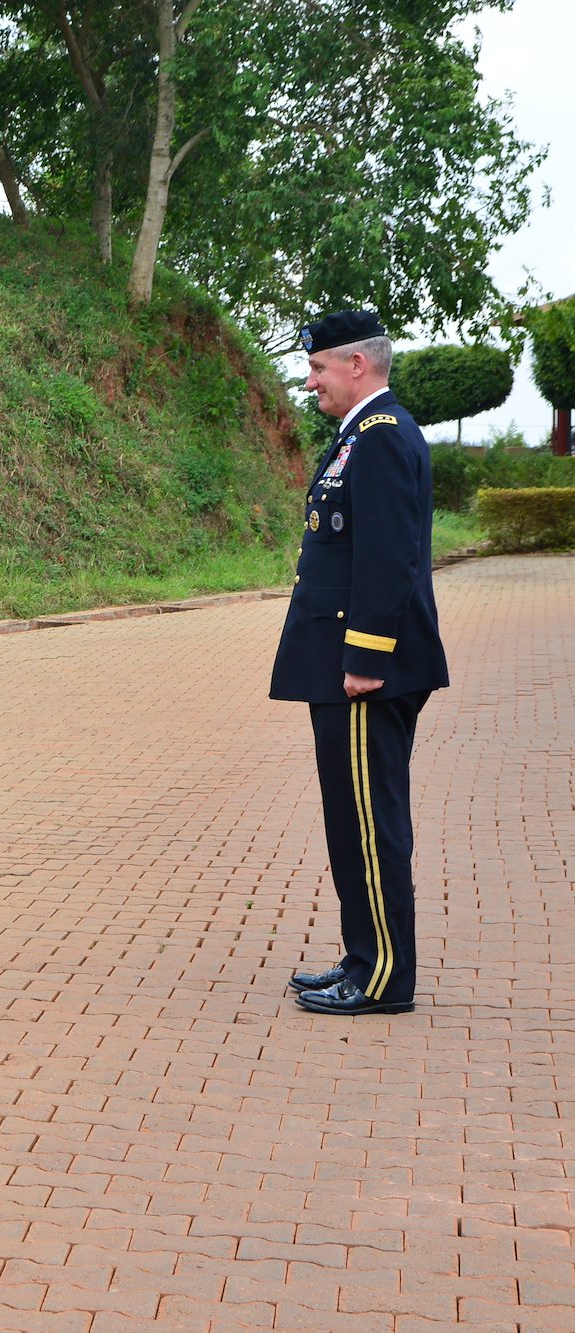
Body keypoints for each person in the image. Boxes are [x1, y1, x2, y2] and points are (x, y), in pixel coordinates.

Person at [272, 310, 448, 1016]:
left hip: (366, 671)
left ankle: (381, 978)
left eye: (318, 368)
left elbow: (386, 554)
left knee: (371, 824)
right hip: (348, 663)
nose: (310, 380)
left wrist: (366, 656)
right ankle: (362, 957)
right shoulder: (361, 435)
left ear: (356, 365)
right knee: (353, 821)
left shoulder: (380, 438)